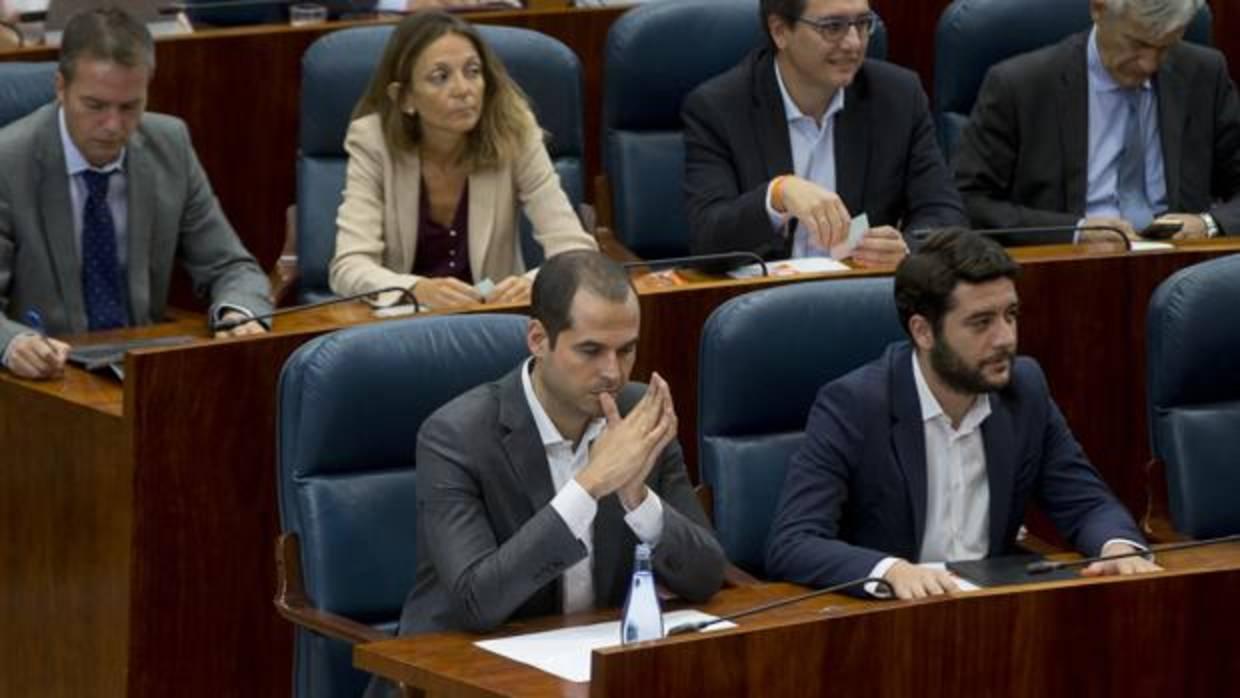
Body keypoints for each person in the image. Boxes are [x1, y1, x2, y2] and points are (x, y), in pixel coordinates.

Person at [375, 250, 723, 693]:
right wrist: (591, 485)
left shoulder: (639, 416)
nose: (612, 373)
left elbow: (707, 576)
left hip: (591, 671)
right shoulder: (454, 435)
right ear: (538, 339)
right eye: (591, 350)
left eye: (626, 350)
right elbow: (477, 602)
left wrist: (638, 498)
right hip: (463, 674)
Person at [765, 230, 1159, 600]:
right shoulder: (855, 405)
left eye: (1011, 315)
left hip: (992, 615)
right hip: (890, 623)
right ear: (923, 332)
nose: (1006, 338)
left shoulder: (1024, 390)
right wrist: (889, 571)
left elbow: (1087, 504)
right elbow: (794, 541)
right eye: (981, 322)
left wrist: (1117, 547)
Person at [0, 7, 270, 381]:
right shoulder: (8, 162)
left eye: (130, 107)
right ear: (60, 87)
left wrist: (238, 312)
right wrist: (13, 344)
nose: (113, 126)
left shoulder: (169, 145)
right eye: (95, 106)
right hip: (48, 380)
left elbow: (230, 267)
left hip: (141, 373)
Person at [330, 11, 596, 310]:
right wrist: (417, 288)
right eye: (440, 77)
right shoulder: (373, 141)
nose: (463, 89)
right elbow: (348, 267)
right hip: (403, 323)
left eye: (473, 71)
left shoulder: (515, 132)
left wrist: (531, 283)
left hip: (491, 316)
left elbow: (575, 250)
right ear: (404, 97)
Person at [682, 0, 966, 267]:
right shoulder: (719, 108)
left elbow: (945, 214)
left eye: (863, 23)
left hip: (861, 295)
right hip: (761, 303)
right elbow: (708, 240)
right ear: (780, 31)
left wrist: (905, 249)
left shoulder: (898, 97)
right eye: (833, 27)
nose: (854, 43)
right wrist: (777, 194)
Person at [955, 0, 1240, 242]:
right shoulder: (1020, 86)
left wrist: (1209, 224)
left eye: (1166, 47)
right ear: (1098, 9)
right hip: (1069, 266)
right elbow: (968, 202)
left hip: (1181, 267)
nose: (1150, 64)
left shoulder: (1204, 74)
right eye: (1138, 43)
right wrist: (1075, 230)